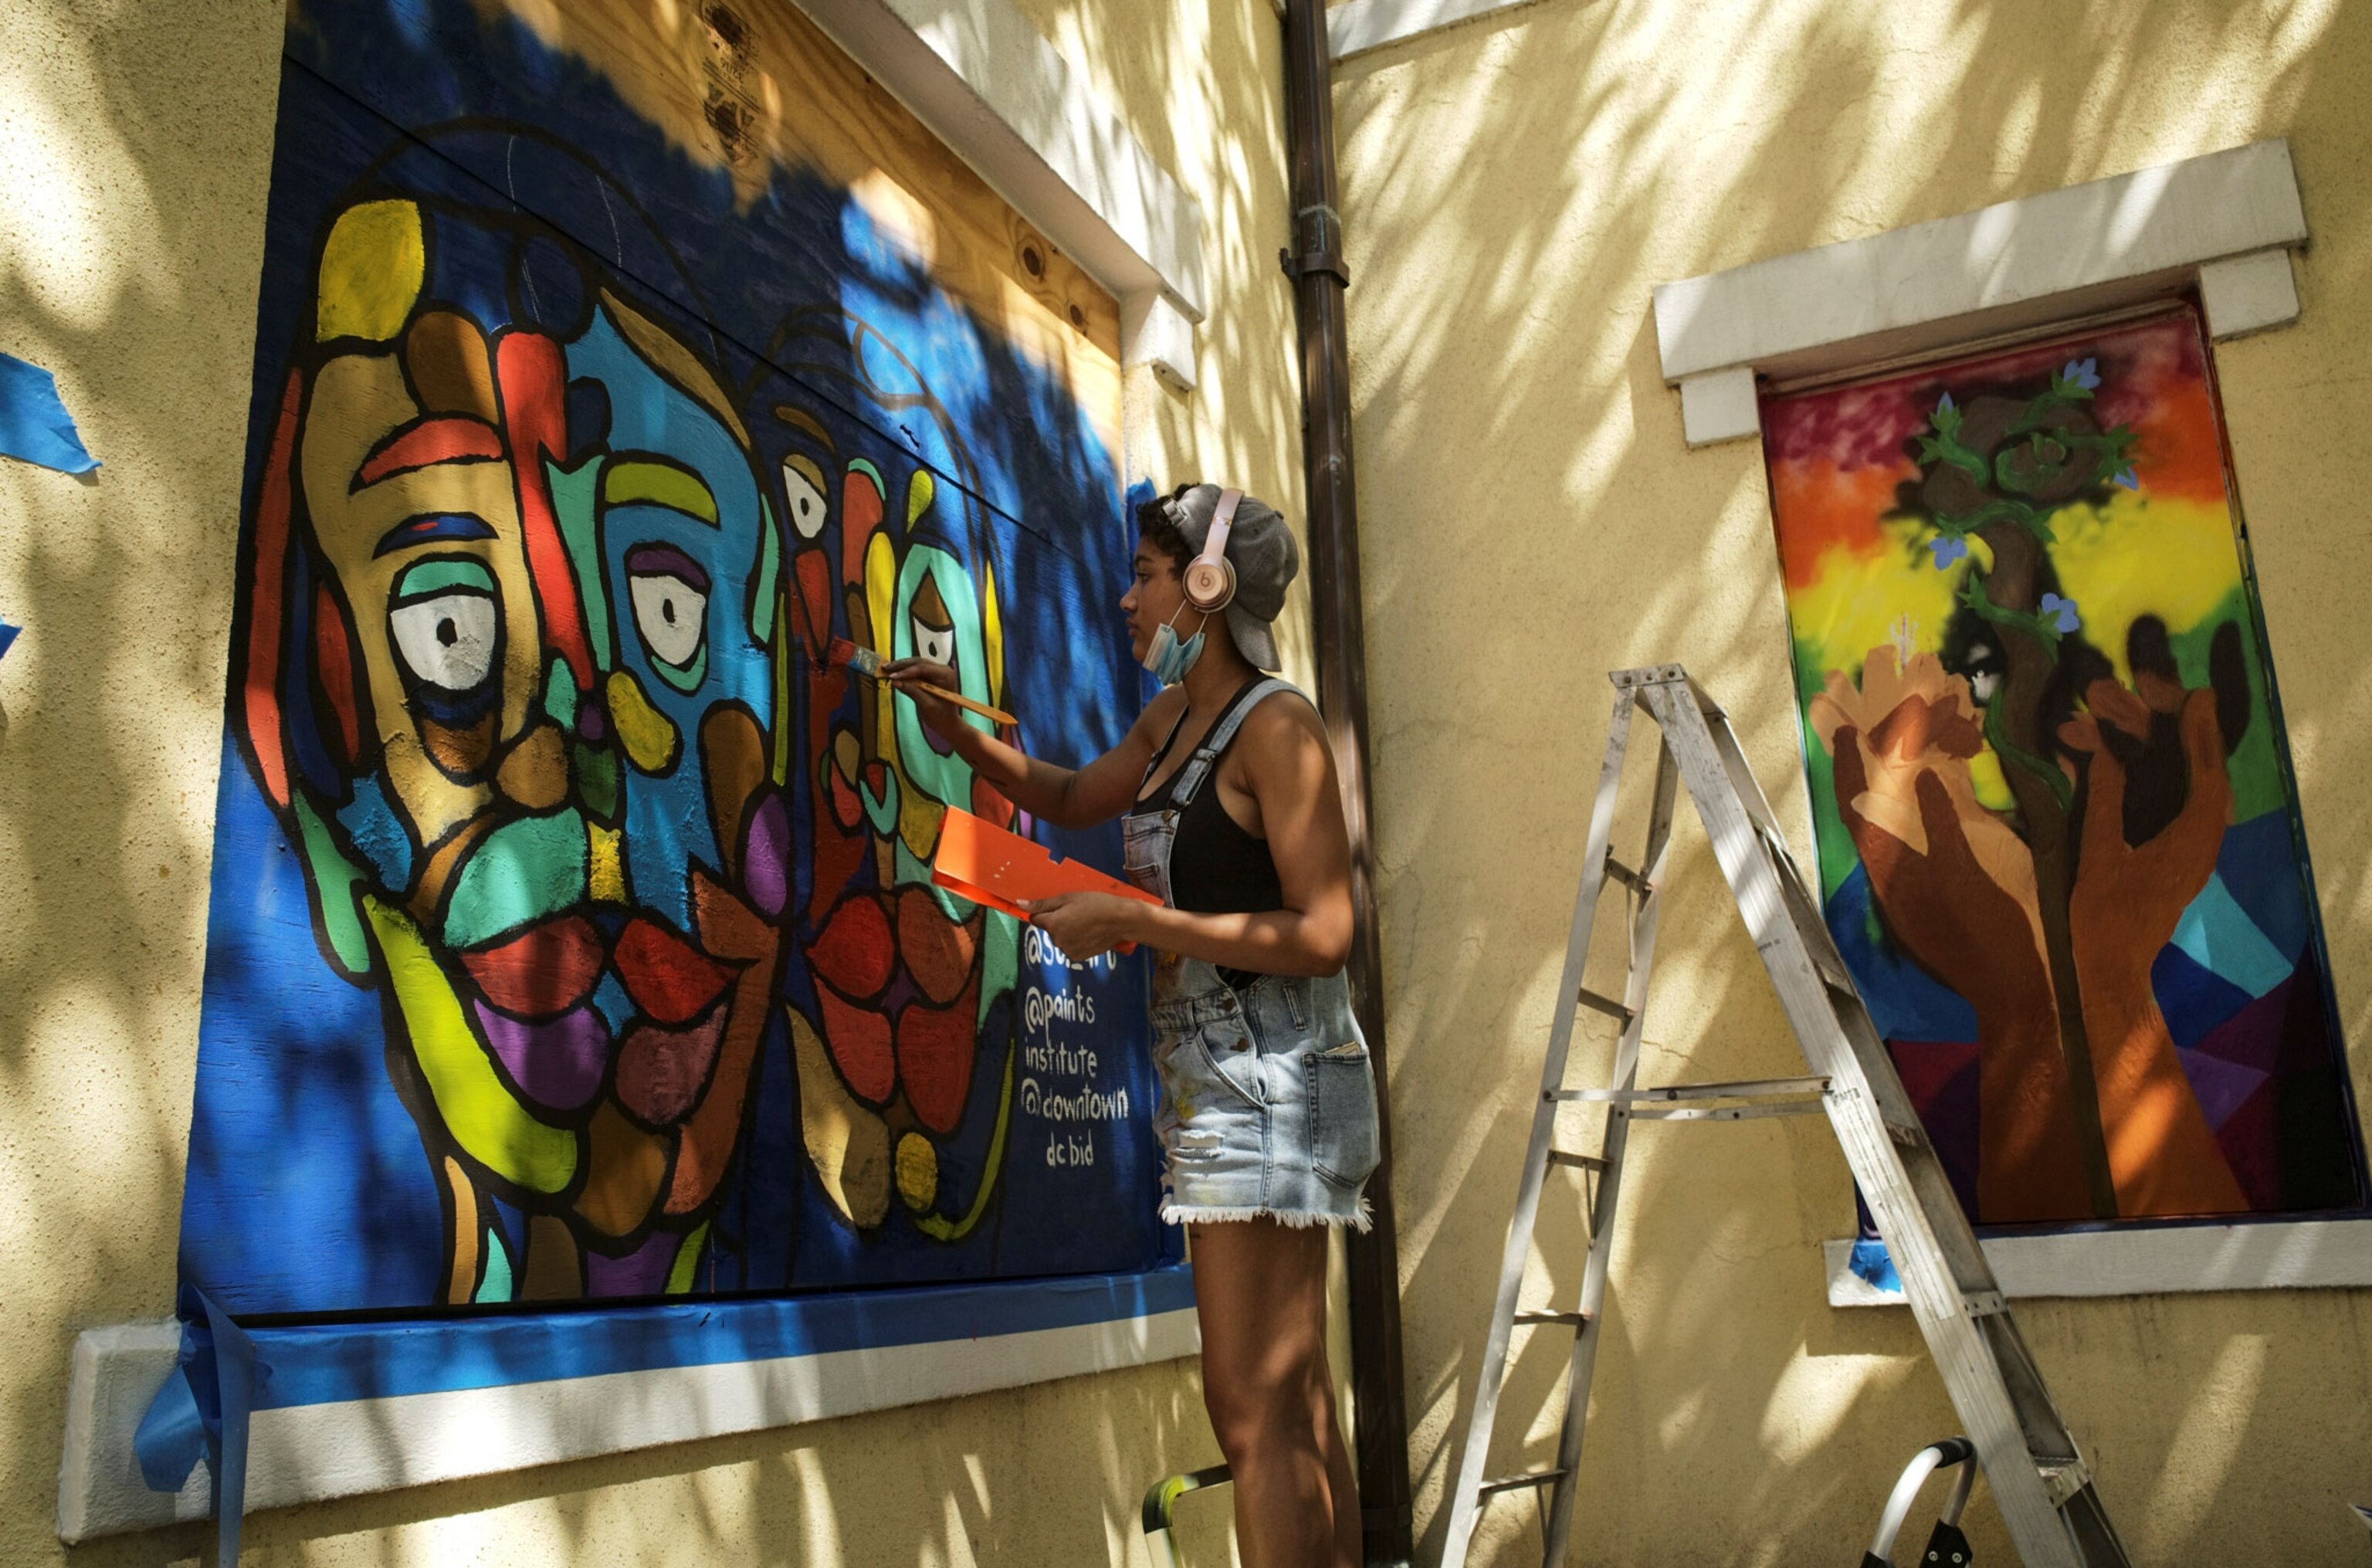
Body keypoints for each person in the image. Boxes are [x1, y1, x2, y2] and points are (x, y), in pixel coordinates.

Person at [888, 481, 1381, 1568]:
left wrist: (1144, 920)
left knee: (1254, 1412)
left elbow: (1328, 930)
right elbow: (1070, 795)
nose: (1127, 598)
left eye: (1149, 576)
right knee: (1289, 1406)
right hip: (1227, 1080)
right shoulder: (1171, 720)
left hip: (1275, 1083)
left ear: (1209, 588)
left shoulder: (1278, 729)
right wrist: (956, 733)